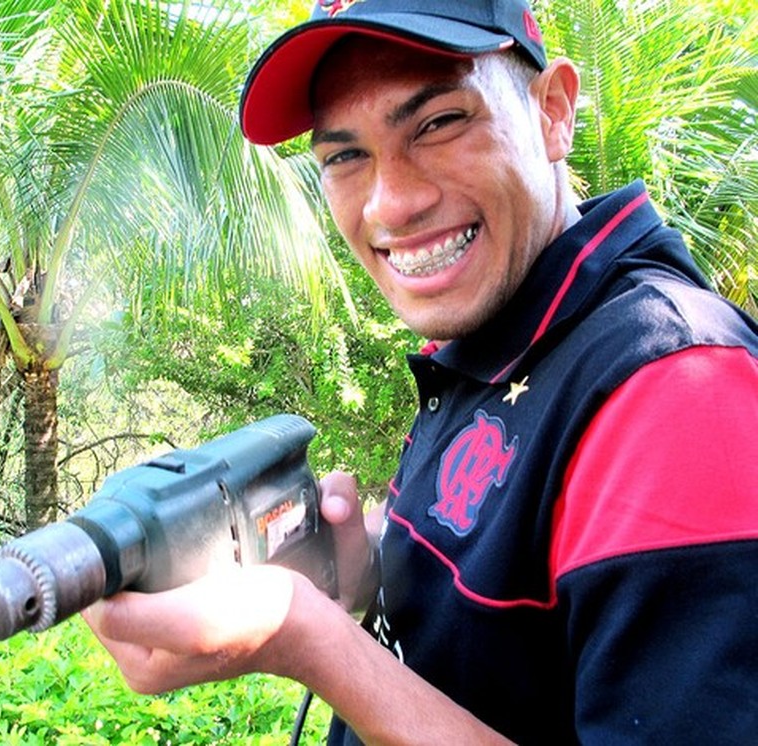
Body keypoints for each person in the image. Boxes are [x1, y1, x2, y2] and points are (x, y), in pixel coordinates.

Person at [81, 0, 758, 742]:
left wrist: (311, 641)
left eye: (438, 123)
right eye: (344, 156)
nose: (392, 203)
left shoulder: (679, 389)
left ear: (553, 112)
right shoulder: (509, 333)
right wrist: (367, 567)